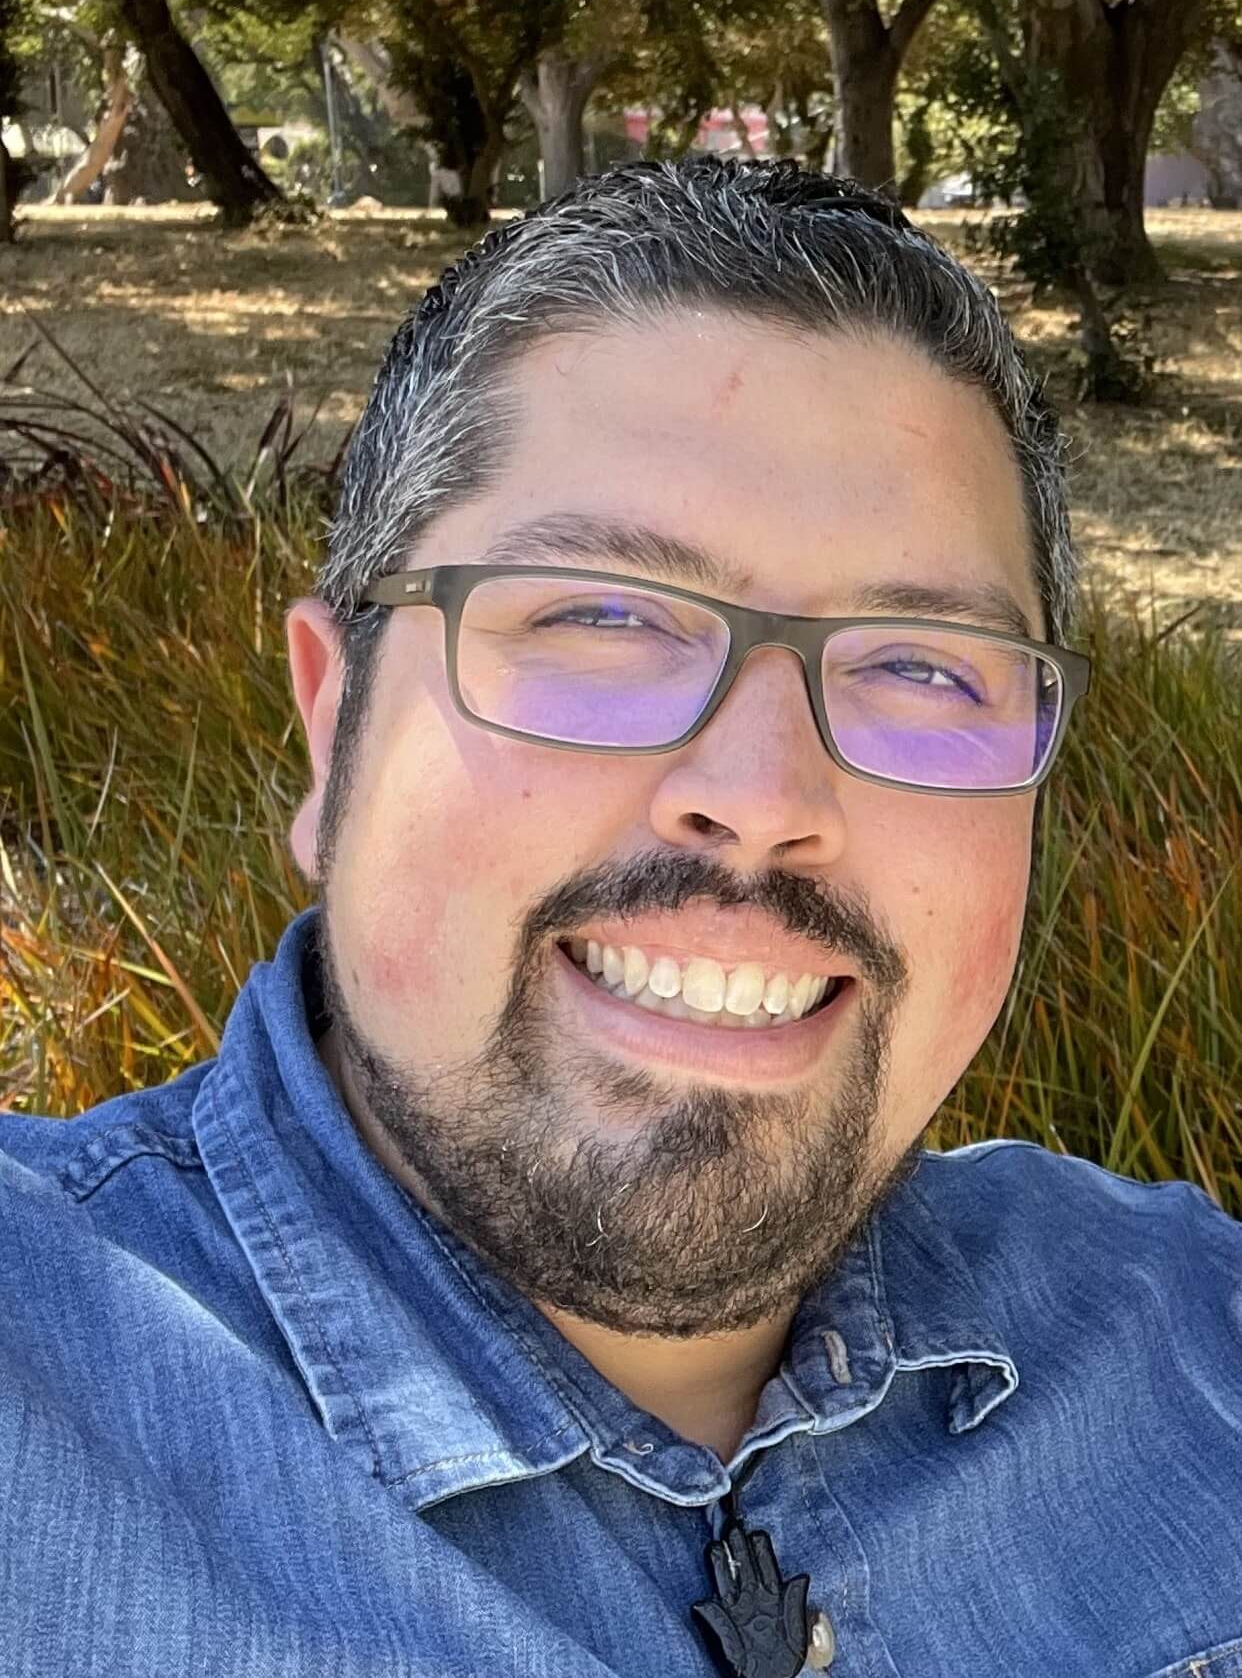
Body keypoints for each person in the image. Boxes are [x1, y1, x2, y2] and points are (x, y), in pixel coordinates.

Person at [2, 156, 1239, 1678]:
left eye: (920, 664)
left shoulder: (1194, 1338)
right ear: (334, 730)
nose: (762, 791)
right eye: (597, 616)